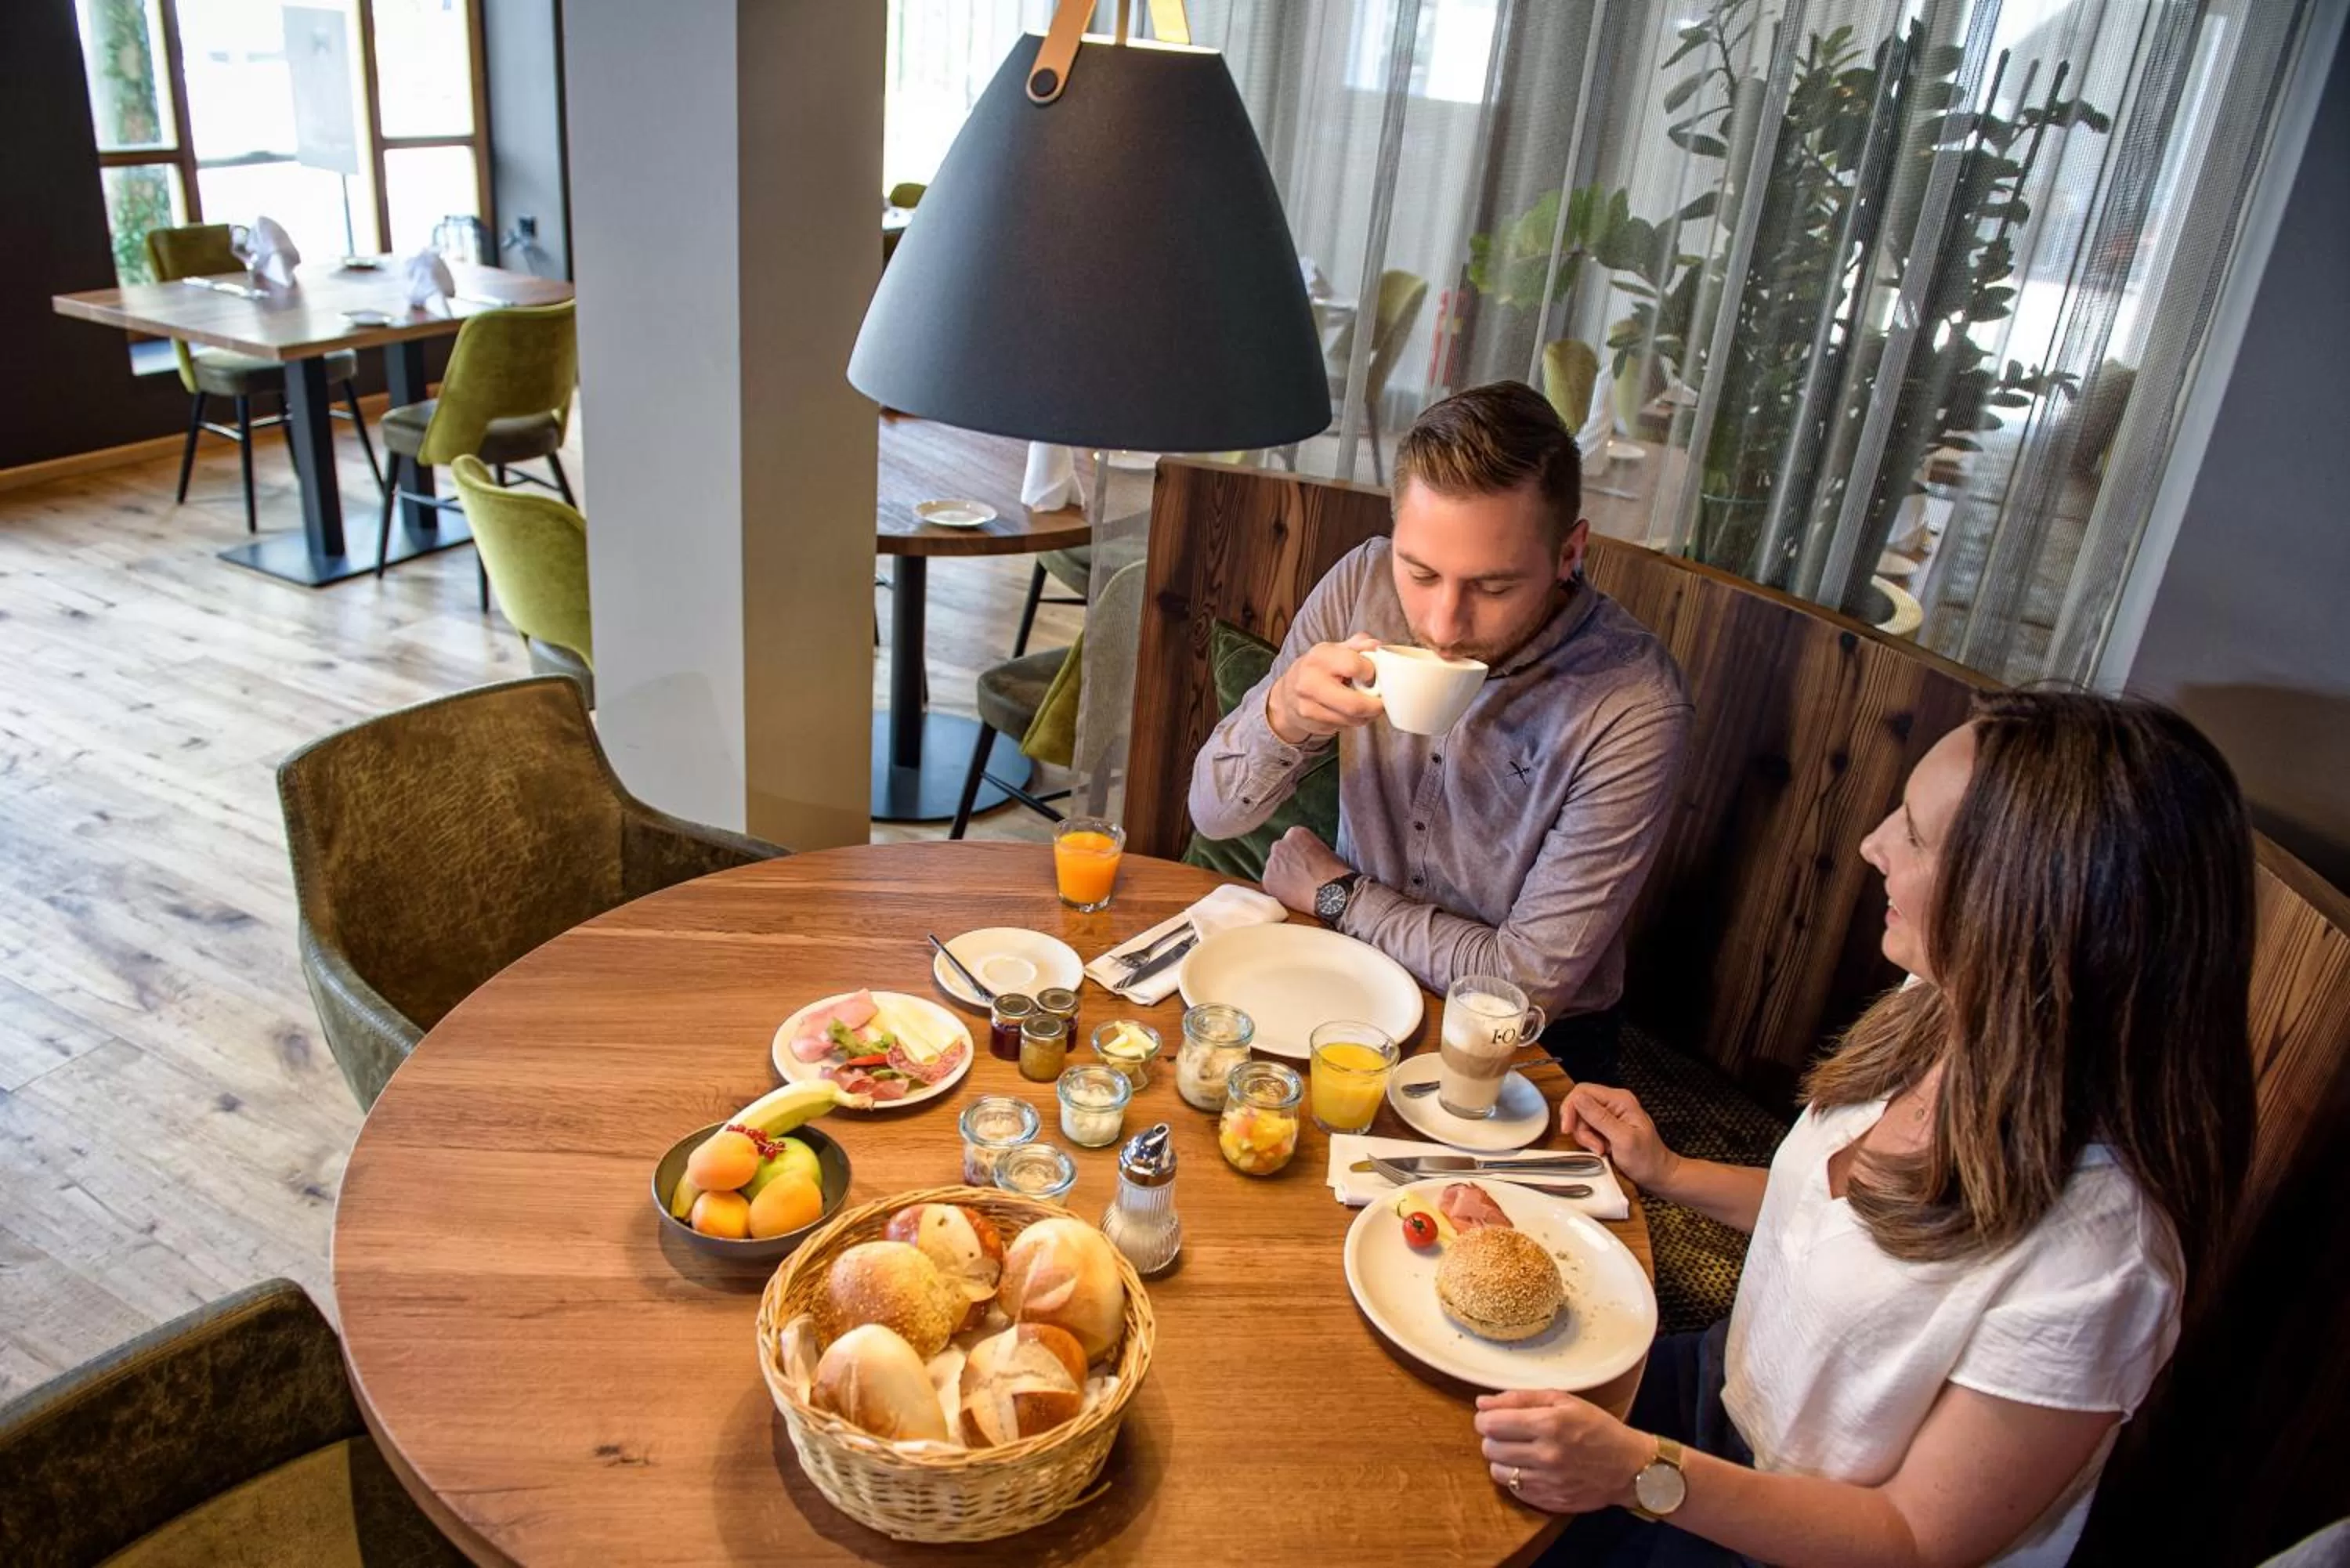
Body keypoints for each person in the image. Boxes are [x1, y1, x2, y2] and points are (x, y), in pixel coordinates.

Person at [1474, 691, 2259, 1567]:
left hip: (1800, 1534)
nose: (1872, 843)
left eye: (1916, 836)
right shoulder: (1943, 1002)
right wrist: (1669, 1169)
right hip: (1720, 1391)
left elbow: (1914, 1539)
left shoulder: (2103, 1266)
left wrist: (1637, 1474)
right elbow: (1848, 1221)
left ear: (2028, 906)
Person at [1185, 382, 1690, 1072]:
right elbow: (1213, 815)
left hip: (1531, 1049)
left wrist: (1341, 896)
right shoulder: (1363, 584)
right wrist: (1286, 715)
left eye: (1493, 587)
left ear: (1570, 553)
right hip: (1349, 978)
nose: (1444, 626)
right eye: (1420, 572)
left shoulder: (1632, 707)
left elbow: (1518, 989)